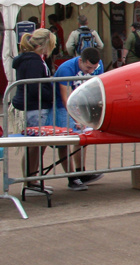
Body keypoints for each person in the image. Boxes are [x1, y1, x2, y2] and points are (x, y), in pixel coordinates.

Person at [10, 29, 58, 180]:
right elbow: (35, 88)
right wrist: (52, 96)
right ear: (44, 45)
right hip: (34, 108)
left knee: (34, 148)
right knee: (35, 148)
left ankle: (31, 180)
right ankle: (31, 180)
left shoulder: (30, 60)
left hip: (32, 106)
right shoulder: (34, 62)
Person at [54, 47, 104, 187]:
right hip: (62, 106)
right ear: (81, 61)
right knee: (65, 140)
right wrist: (77, 119)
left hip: (83, 106)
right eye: (88, 67)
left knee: (83, 138)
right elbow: (66, 98)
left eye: (94, 67)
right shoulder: (67, 69)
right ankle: (71, 177)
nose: (91, 71)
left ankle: (80, 171)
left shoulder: (98, 67)